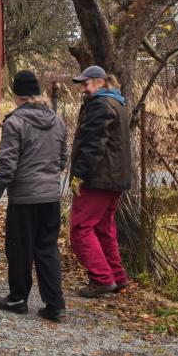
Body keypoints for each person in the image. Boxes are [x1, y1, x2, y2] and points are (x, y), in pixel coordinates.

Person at [0, 69, 68, 322]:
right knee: (47, 249)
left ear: (17, 95)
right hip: (50, 197)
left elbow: (8, 163)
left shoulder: (15, 122)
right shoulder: (57, 121)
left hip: (24, 198)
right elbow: (62, 159)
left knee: (19, 249)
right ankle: (55, 304)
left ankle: (18, 298)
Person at [68, 65, 132, 297]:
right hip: (114, 179)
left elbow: (93, 146)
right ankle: (116, 276)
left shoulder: (101, 105)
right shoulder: (117, 103)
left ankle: (102, 279)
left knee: (80, 230)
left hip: (98, 179)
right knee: (104, 229)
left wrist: (79, 176)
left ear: (99, 82)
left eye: (86, 84)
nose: (83, 89)